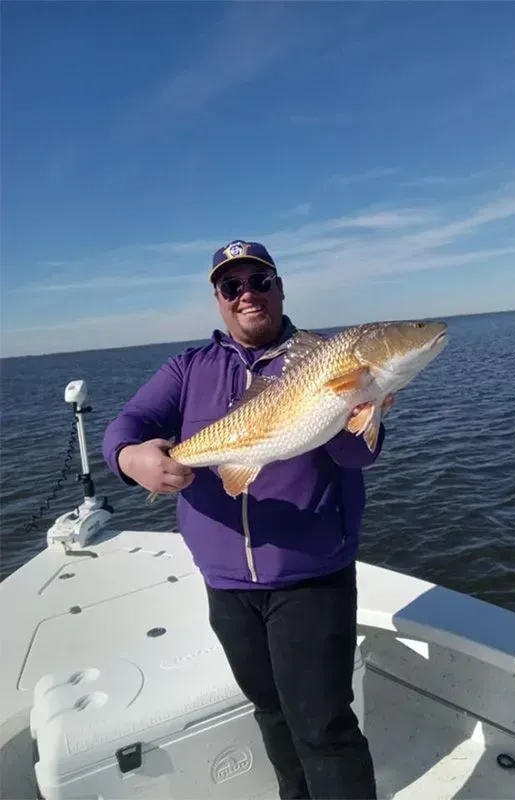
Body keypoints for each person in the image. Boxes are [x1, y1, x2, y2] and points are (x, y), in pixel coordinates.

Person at [102, 239, 390, 800]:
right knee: (272, 713)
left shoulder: (325, 356)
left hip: (309, 578)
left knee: (323, 727)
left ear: (280, 287)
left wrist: (358, 410)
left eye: (259, 280)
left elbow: (358, 457)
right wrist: (130, 458)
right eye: (232, 286)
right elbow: (131, 421)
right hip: (226, 585)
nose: (247, 294)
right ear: (218, 299)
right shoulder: (189, 368)